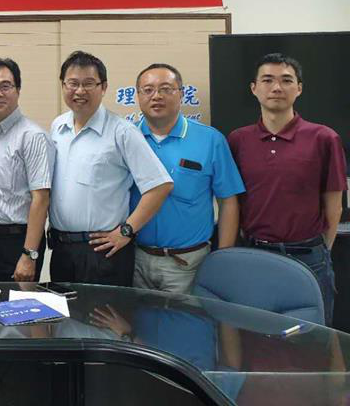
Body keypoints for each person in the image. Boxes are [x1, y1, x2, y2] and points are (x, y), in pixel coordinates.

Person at [228, 53, 346, 325]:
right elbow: (232, 201)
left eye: (286, 80)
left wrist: (321, 250)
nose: (277, 87)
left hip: (309, 258)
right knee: (257, 334)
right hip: (255, 254)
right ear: (254, 88)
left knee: (312, 338)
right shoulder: (238, 140)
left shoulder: (324, 138)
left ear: (299, 88)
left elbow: (334, 205)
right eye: (267, 80)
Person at [48, 51, 173, 287]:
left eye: (89, 83)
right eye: (73, 83)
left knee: (104, 311)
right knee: (62, 311)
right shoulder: (57, 127)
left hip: (103, 252)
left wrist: (127, 231)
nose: (80, 91)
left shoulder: (122, 132)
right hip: (62, 251)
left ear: (103, 87)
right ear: (63, 85)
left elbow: (160, 186)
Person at [131, 63, 245, 294]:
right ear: (138, 95)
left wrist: (223, 257)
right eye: (148, 90)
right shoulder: (126, 138)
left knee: (187, 318)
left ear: (181, 94)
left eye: (166, 89)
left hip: (188, 264)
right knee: (135, 318)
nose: (156, 96)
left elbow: (228, 201)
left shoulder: (210, 140)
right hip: (135, 259)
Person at [0, 57, 53, 282]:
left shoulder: (33, 136)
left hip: (17, 242)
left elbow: (41, 199)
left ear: (18, 89)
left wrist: (29, 254)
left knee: (17, 304)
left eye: (5, 86)